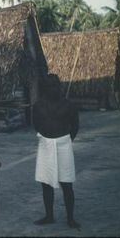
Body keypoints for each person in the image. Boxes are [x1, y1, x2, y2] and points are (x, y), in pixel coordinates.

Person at [32, 74, 80, 229]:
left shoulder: (69, 105)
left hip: (63, 144)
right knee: (46, 183)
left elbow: (75, 125)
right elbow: (36, 124)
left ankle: (70, 218)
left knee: (67, 183)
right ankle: (49, 216)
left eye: (54, 85)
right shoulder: (38, 105)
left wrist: (64, 140)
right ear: (44, 88)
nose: (52, 88)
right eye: (48, 86)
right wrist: (48, 138)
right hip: (45, 144)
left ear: (59, 86)